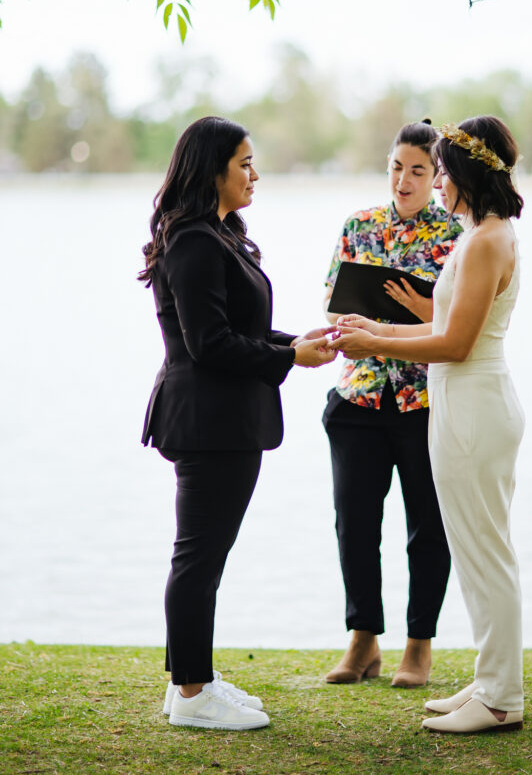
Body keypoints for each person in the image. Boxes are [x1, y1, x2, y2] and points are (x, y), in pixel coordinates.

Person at [138, 116, 336, 732]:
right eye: (244, 162)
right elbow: (209, 345)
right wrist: (287, 358)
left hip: (224, 418)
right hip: (207, 420)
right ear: (212, 169)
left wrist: (293, 342)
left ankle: (188, 681)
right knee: (198, 556)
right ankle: (193, 692)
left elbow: (235, 331)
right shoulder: (194, 240)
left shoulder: (217, 235)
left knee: (206, 556)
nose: (255, 173)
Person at [334, 115, 525, 734]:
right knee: (476, 550)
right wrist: (380, 331)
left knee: (485, 552)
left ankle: (500, 698)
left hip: (470, 402)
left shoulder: (485, 240)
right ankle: (489, 681)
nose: (437, 181)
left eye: (441, 169)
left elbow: (458, 344)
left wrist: (379, 344)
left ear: (467, 171)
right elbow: (443, 329)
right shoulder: (484, 235)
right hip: (463, 401)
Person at [322, 119, 462, 688]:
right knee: (355, 523)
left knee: (427, 526)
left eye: (418, 171)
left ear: (436, 176)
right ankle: (363, 641)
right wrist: (364, 322)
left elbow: (461, 322)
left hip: (424, 400)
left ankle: (419, 645)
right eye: (396, 168)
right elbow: (332, 307)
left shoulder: (456, 236)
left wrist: (409, 317)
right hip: (357, 399)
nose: (403, 181)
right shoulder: (359, 224)